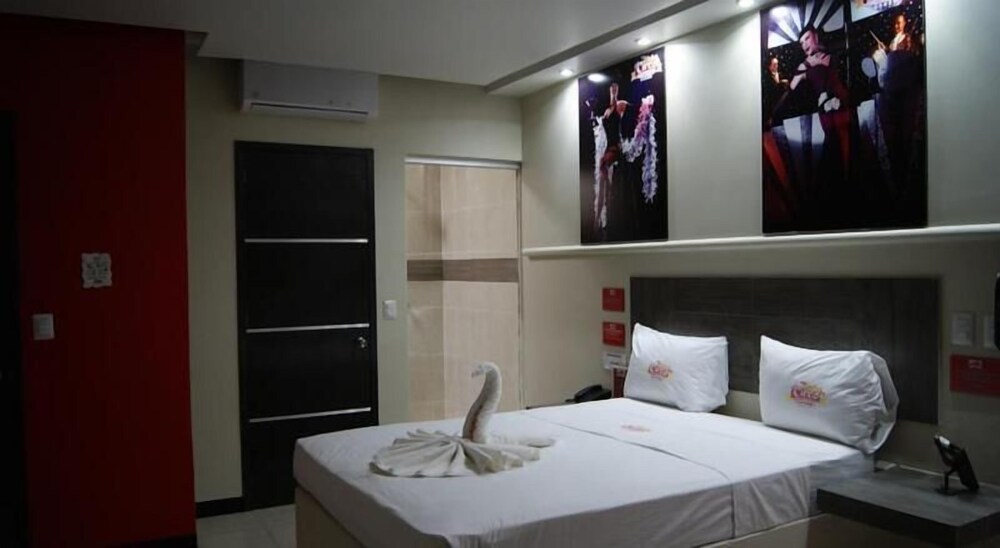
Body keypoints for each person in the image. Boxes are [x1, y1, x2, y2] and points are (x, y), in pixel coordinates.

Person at [789, 26, 851, 174]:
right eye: (801, 42)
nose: (804, 44)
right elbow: (792, 87)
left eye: (807, 38)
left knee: (848, 145)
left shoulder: (830, 55)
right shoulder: (805, 65)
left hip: (843, 104)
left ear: (816, 37)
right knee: (834, 145)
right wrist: (805, 68)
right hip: (825, 110)